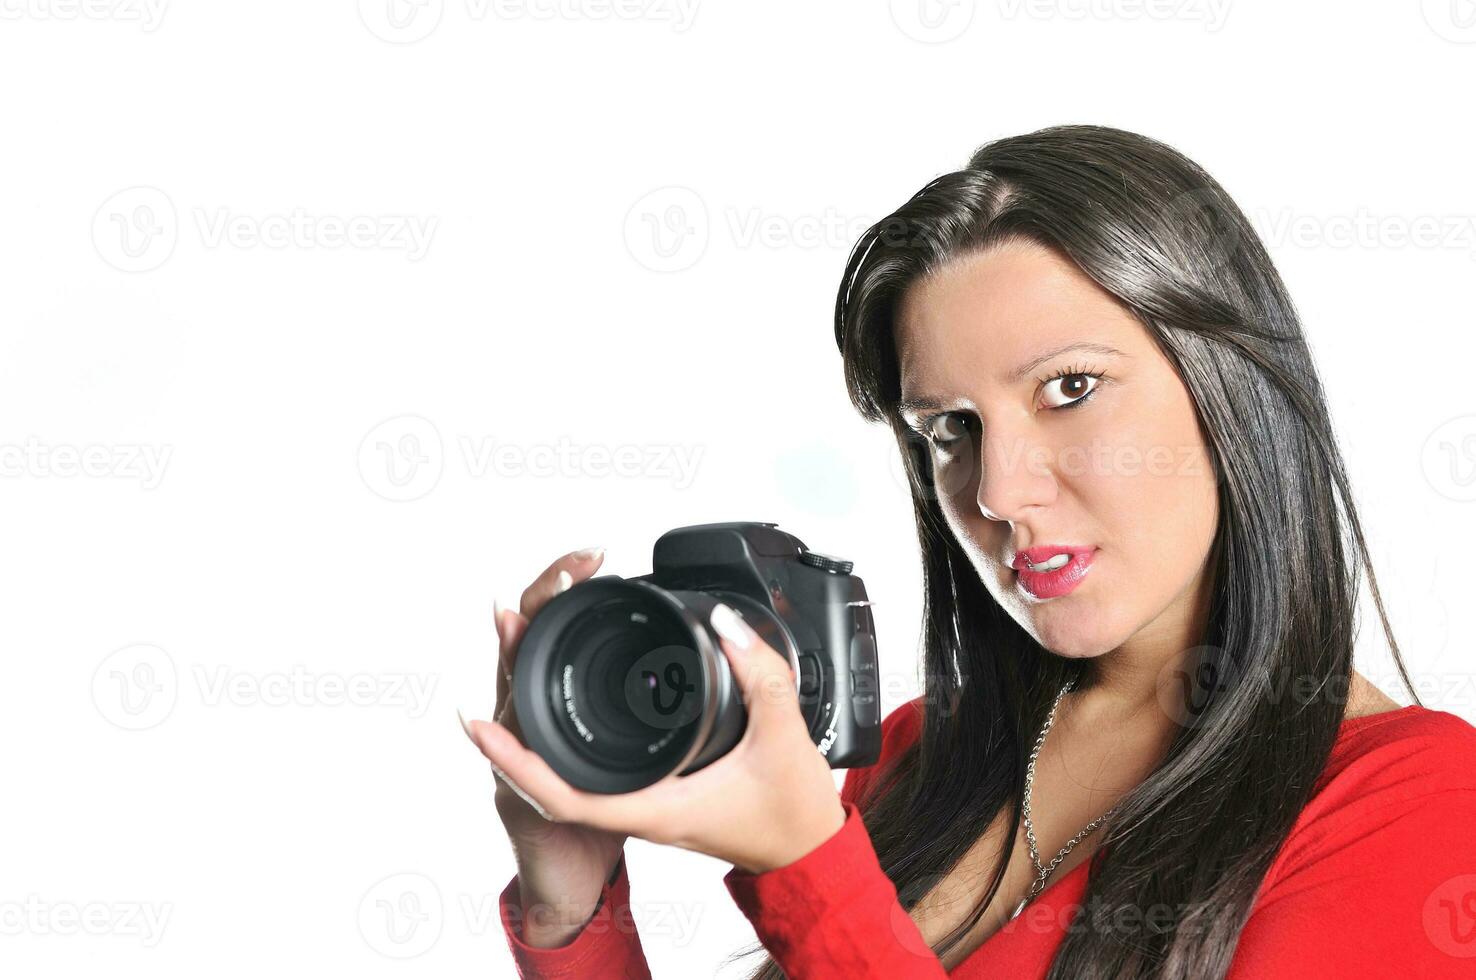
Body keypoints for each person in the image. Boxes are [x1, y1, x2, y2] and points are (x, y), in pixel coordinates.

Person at [461, 124, 1476, 978]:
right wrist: (574, 898)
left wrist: (810, 868)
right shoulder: (909, 757)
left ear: (1228, 390)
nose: (996, 490)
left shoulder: (1418, 804)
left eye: (1069, 388)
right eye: (950, 428)